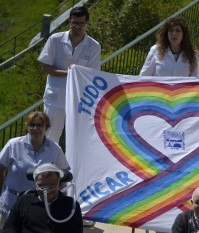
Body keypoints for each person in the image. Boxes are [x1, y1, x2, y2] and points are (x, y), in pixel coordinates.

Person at [38, 6, 101, 143]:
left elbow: (92, 74)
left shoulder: (93, 46)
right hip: (55, 98)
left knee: (77, 140)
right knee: (50, 137)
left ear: (87, 23)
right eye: (74, 22)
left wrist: (74, 73)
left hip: (80, 100)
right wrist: (70, 73)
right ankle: (47, 164)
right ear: (69, 22)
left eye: (81, 23)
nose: (77, 26)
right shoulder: (55, 39)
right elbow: (46, 68)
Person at [0, 111, 69, 230]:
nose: (35, 128)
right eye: (32, 124)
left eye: (40, 125)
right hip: (10, 203)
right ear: (27, 126)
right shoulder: (13, 145)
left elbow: (63, 176)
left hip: (38, 207)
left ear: (46, 128)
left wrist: (57, 199)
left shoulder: (55, 149)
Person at [2, 163, 83, 233]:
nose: (47, 190)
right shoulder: (24, 202)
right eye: (42, 185)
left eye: (51, 184)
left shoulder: (71, 206)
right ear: (36, 184)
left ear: (58, 183)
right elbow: (10, 227)